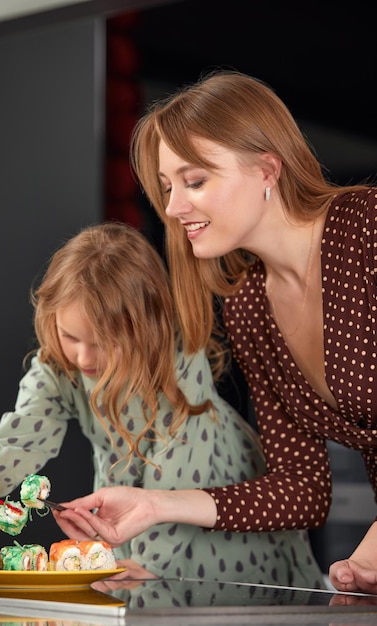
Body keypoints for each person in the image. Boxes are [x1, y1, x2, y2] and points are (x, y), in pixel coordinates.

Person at [51, 70, 377, 594]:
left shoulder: (368, 230)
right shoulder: (249, 304)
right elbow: (302, 489)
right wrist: (156, 505)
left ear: (267, 169)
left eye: (195, 181)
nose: (175, 208)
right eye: (166, 188)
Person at [0, 221, 323, 587]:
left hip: (218, 524)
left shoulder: (178, 363)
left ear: (144, 328)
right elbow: (24, 434)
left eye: (102, 342)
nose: (83, 356)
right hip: (133, 520)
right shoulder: (58, 368)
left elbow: (177, 476)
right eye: (70, 336)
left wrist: (141, 562)